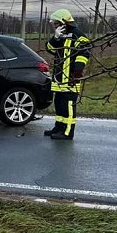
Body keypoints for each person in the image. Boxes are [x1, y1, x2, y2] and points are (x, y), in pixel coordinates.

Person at [45, 9, 90, 140]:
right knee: (59, 103)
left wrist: (77, 72)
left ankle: (67, 132)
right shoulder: (61, 36)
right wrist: (55, 38)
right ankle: (59, 127)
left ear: (63, 22)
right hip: (59, 78)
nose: (54, 25)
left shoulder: (78, 36)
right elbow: (49, 48)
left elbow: (84, 54)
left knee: (69, 106)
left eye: (55, 23)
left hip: (71, 79)